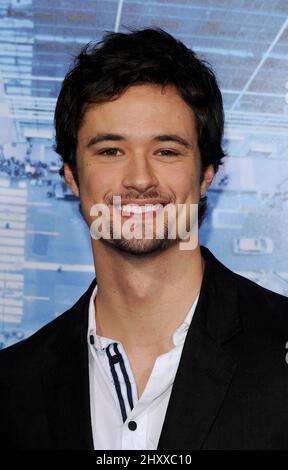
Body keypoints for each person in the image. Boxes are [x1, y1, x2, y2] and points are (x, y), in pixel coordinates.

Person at [0, 28, 287, 451]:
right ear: (72, 177)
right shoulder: (12, 386)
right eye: (110, 151)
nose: (139, 179)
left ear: (206, 174)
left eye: (167, 151)